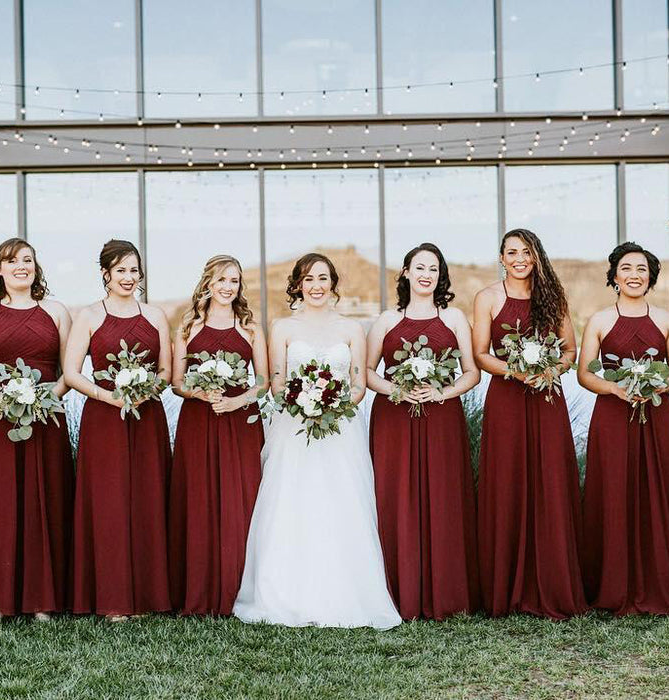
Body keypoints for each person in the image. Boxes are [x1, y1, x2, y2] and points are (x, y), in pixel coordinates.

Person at [233, 252, 400, 629]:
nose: (316, 286)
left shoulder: (352, 328)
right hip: (294, 429)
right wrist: (303, 402)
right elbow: (277, 382)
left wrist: (333, 404)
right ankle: (285, 594)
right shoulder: (282, 327)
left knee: (341, 503)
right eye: (308, 279)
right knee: (293, 502)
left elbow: (358, 384)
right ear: (297, 285)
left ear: (333, 284)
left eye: (323, 278)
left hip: (340, 430)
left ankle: (347, 594)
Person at [473, 228, 587, 619]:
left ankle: (552, 584)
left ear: (537, 256)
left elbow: (570, 350)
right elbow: (480, 354)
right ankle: (505, 588)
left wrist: (552, 369)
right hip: (506, 398)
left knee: (549, 480)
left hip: (547, 399)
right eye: (511, 252)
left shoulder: (553, 297)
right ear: (501, 258)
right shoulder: (487, 298)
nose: (519, 258)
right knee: (507, 480)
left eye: (526, 252)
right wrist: (517, 372)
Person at [367, 242, 480, 620]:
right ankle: (399, 592)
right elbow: (366, 373)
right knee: (395, 497)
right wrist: (396, 390)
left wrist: (441, 393)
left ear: (440, 275)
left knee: (443, 496)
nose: (426, 275)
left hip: (441, 418)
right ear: (406, 273)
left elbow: (472, 372)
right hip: (394, 420)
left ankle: (445, 592)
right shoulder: (386, 320)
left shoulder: (455, 318)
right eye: (419, 267)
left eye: (433, 268)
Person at [65, 239, 171, 620]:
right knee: (108, 503)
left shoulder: (156, 315)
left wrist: (148, 390)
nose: (129, 277)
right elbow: (71, 372)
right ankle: (112, 598)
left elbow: (166, 371)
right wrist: (108, 396)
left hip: (147, 417)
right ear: (105, 274)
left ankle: (149, 597)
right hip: (104, 419)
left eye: (134, 270)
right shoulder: (89, 316)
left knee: (147, 500)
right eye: (121, 270)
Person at [0, 238, 73, 624]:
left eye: (27, 260)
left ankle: (43, 600)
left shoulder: (57, 311)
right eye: (11, 261)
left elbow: (68, 372)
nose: (20, 267)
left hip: (44, 420)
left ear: (35, 267)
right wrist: (5, 403)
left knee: (44, 500)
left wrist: (40, 401)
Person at [168, 255, 267, 616]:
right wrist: (201, 393)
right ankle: (198, 588)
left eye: (234, 281)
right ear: (208, 283)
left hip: (240, 422)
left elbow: (263, 381)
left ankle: (238, 589)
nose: (228, 287)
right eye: (222, 280)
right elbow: (176, 383)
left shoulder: (251, 328)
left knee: (242, 498)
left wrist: (236, 401)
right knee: (199, 498)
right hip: (199, 421)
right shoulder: (188, 327)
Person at [578, 242, 669, 614]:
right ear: (614, 276)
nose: (635, 275)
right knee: (613, 492)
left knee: (659, 491)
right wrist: (615, 388)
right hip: (613, 417)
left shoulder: (665, 318)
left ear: (651, 277)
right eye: (627, 268)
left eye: (642, 269)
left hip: (659, 417)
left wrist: (660, 385)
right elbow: (584, 374)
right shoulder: (599, 320)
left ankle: (659, 581)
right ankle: (613, 585)